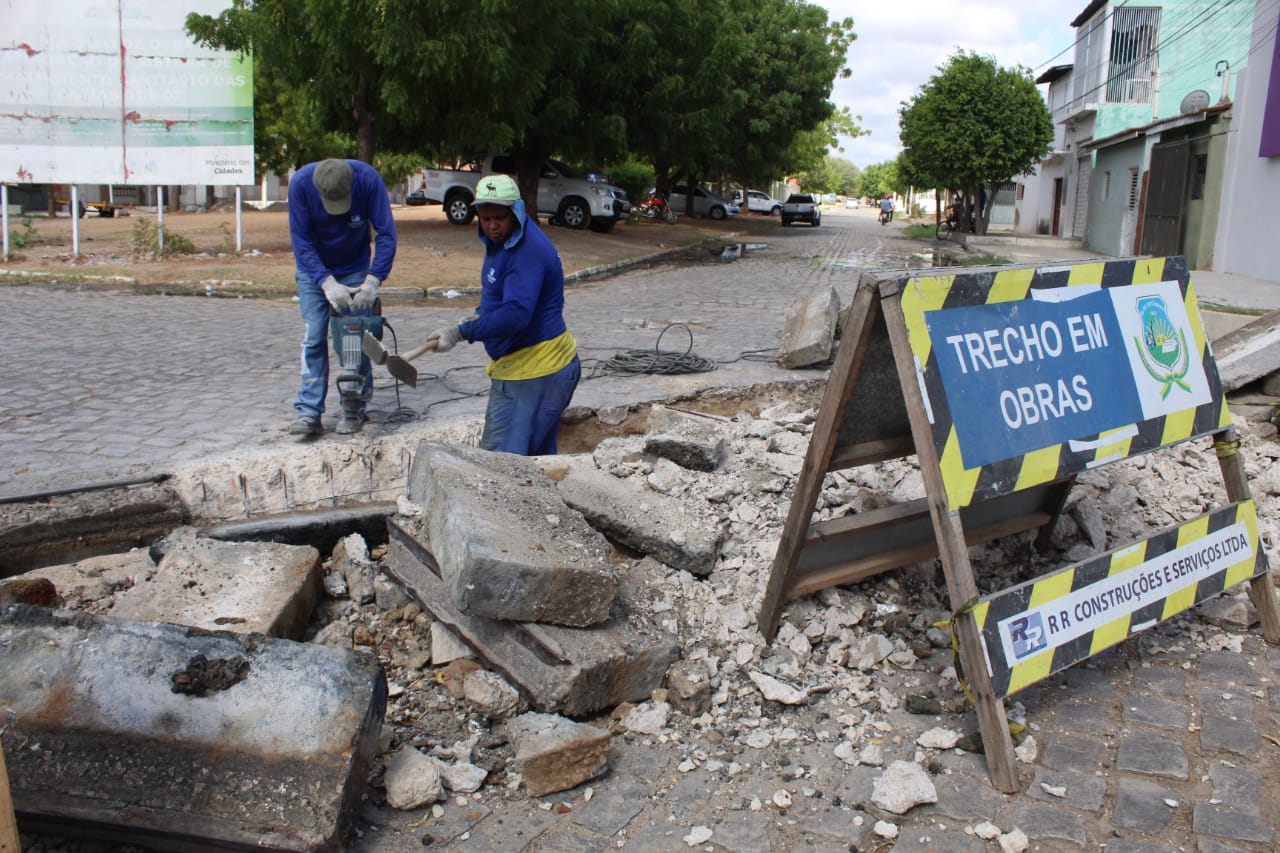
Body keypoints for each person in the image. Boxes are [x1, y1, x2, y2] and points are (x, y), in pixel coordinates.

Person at [424, 174, 580, 456]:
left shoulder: (527, 252)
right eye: (485, 218)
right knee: (534, 463)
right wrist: (479, 317)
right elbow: (500, 294)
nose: (492, 226)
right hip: (531, 367)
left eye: (499, 218)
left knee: (500, 467)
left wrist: (462, 333)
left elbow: (516, 314)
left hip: (537, 370)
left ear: (516, 212)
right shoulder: (504, 241)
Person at [287, 158, 397, 436]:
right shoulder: (300, 184)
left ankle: (354, 405)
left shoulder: (368, 179)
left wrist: (373, 280)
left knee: (354, 336)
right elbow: (301, 240)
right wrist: (325, 282)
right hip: (314, 270)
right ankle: (309, 411)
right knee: (313, 336)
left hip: (355, 268)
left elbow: (386, 233)